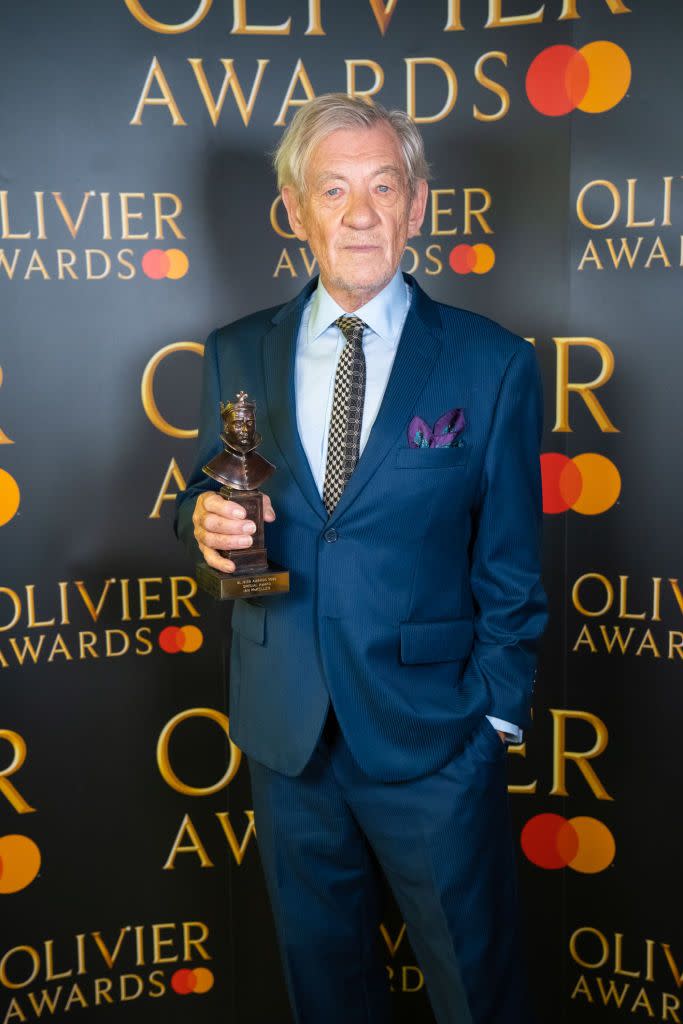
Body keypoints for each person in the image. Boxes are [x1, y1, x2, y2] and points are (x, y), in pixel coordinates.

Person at [175, 92, 549, 1024]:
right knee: (326, 995)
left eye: (383, 186)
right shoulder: (235, 354)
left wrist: (491, 727)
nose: (360, 214)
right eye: (332, 190)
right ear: (296, 211)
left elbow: (511, 568)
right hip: (287, 737)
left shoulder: (488, 363)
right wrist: (205, 526)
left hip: (434, 741)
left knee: (477, 992)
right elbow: (226, 495)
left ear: (418, 204)